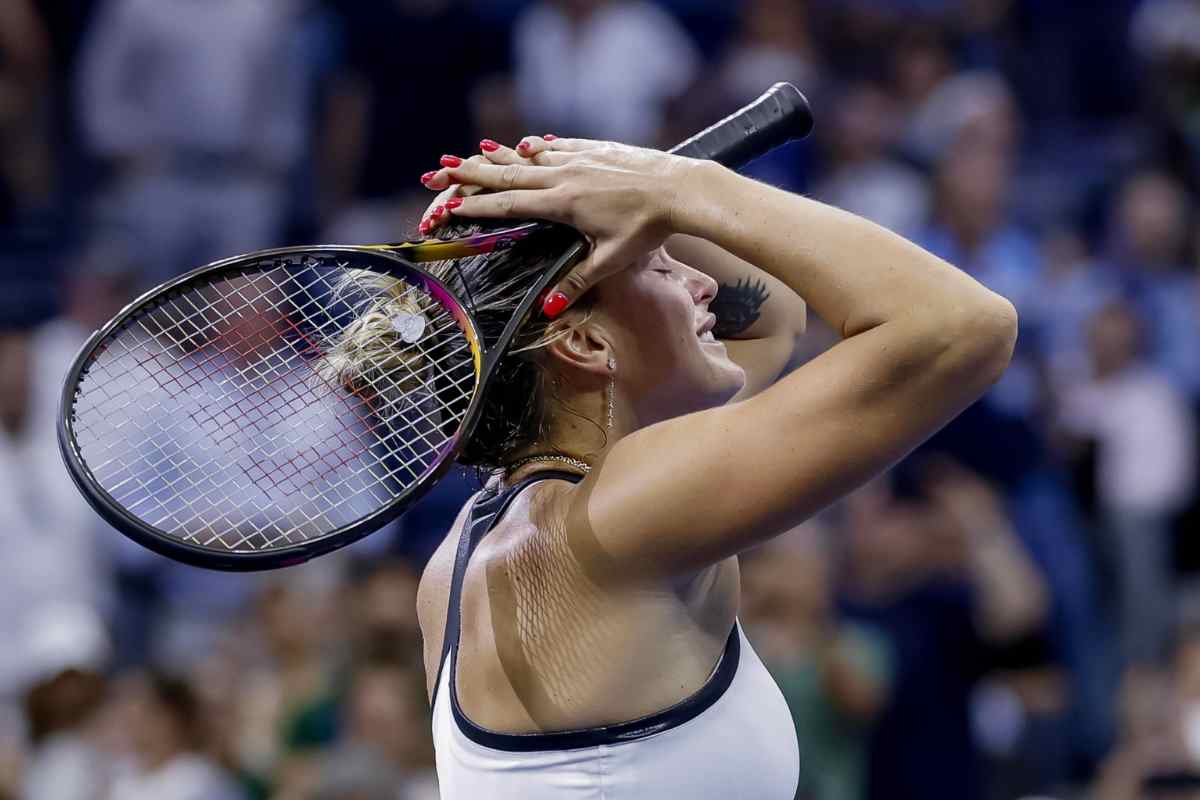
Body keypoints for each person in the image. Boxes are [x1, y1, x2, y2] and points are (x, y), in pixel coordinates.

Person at [357, 132, 1017, 798]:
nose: (705, 284)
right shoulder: (619, 517)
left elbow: (772, 316)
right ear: (583, 341)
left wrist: (630, 185)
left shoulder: (486, 541)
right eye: (661, 267)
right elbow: (964, 325)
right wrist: (676, 185)